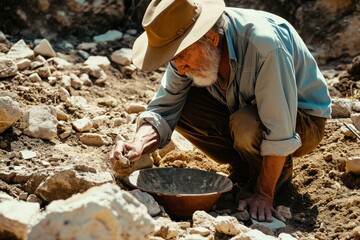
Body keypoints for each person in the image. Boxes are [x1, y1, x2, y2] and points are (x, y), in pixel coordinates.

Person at [109, 0, 331, 222]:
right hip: (241, 110)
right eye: (171, 59)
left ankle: (275, 179)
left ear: (212, 39)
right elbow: (164, 108)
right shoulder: (187, 47)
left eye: (181, 56)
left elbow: (280, 130)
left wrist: (264, 195)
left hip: (301, 121)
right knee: (186, 104)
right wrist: (138, 144)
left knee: (245, 124)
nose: (178, 67)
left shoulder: (264, 46)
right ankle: (246, 165)